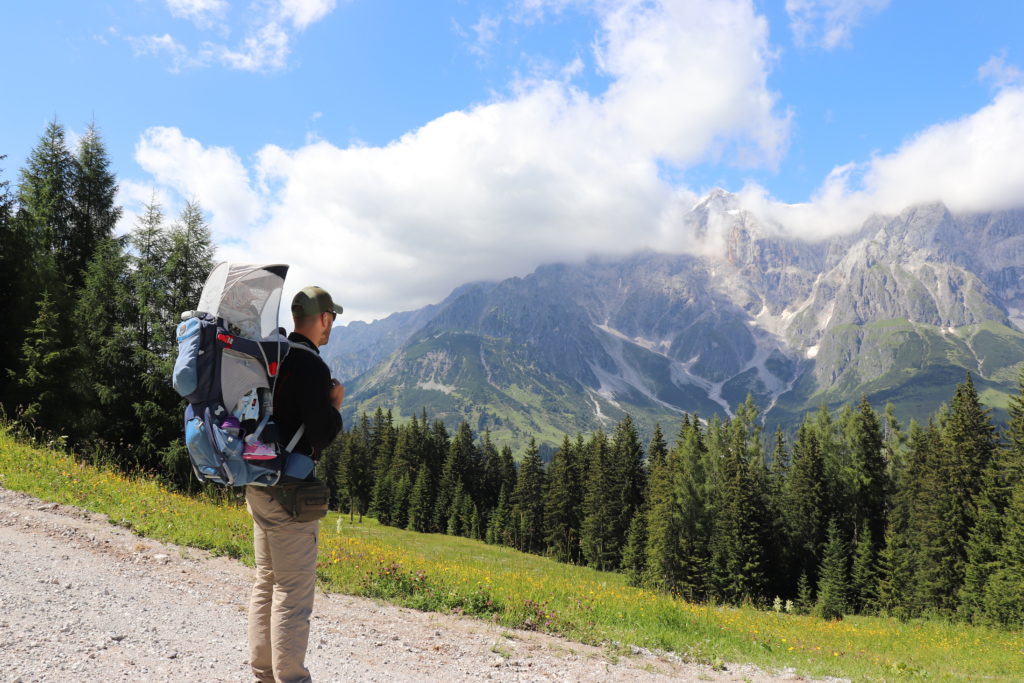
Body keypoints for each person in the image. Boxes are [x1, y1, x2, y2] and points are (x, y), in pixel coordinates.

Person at [245, 285, 344, 683]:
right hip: (289, 492)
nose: (331, 325)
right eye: (331, 318)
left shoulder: (275, 355)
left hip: (257, 480)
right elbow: (320, 432)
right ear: (322, 318)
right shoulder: (312, 366)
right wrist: (334, 405)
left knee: (267, 581)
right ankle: (291, 678)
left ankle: (263, 672)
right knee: (293, 591)